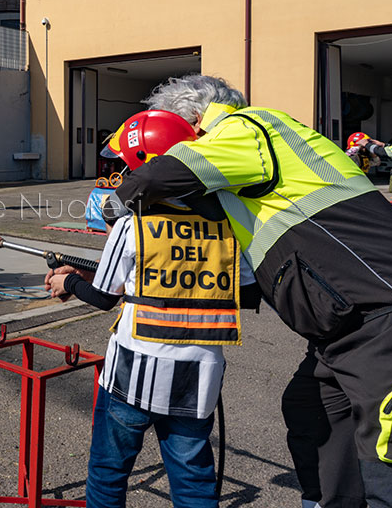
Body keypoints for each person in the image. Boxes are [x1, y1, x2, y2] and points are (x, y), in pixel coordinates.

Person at [103, 74, 392, 508]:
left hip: (389, 315)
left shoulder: (248, 126)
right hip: (344, 330)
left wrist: (115, 204)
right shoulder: (245, 169)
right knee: (312, 411)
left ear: (193, 119)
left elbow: (164, 174)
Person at [47, 110, 260, 508]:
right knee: (194, 482)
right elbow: (246, 292)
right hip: (198, 375)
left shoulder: (133, 223)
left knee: (109, 473)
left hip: (132, 371)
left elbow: (104, 297)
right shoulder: (228, 222)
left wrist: (68, 283)